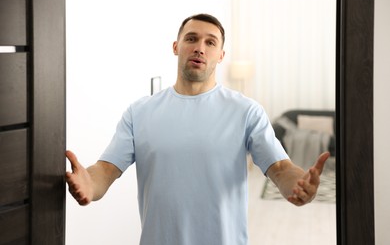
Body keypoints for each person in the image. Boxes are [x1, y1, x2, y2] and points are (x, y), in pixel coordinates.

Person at [66, 13, 330, 245]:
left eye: (210, 42)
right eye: (191, 39)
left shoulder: (246, 111)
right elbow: (106, 170)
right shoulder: (140, 112)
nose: (200, 48)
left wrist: (297, 184)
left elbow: (280, 169)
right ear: (176, 46)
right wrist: (89, 184)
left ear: (221, 55)